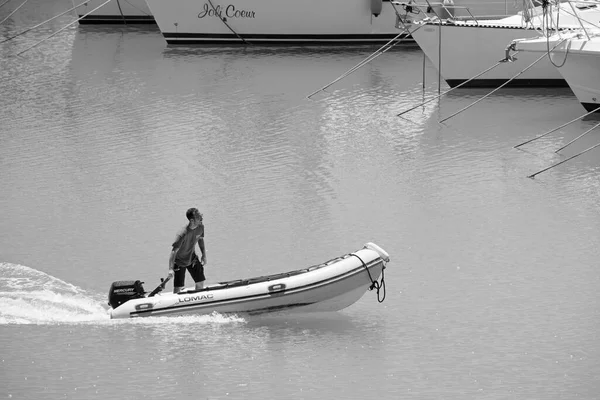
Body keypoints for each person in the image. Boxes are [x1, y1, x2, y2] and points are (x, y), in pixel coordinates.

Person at [168, 208, 207, 293]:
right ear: (192, 220)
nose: (201, 218)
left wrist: (204, 255)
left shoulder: (200, 227)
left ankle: (198, 301)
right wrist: (171, 269)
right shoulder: (182, 234)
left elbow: (200, 239)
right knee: (178, 287)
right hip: (179, 262)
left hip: (192, 258)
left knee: (200, 281)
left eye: (201, 215)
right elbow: (173, 251)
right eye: (198, 217)